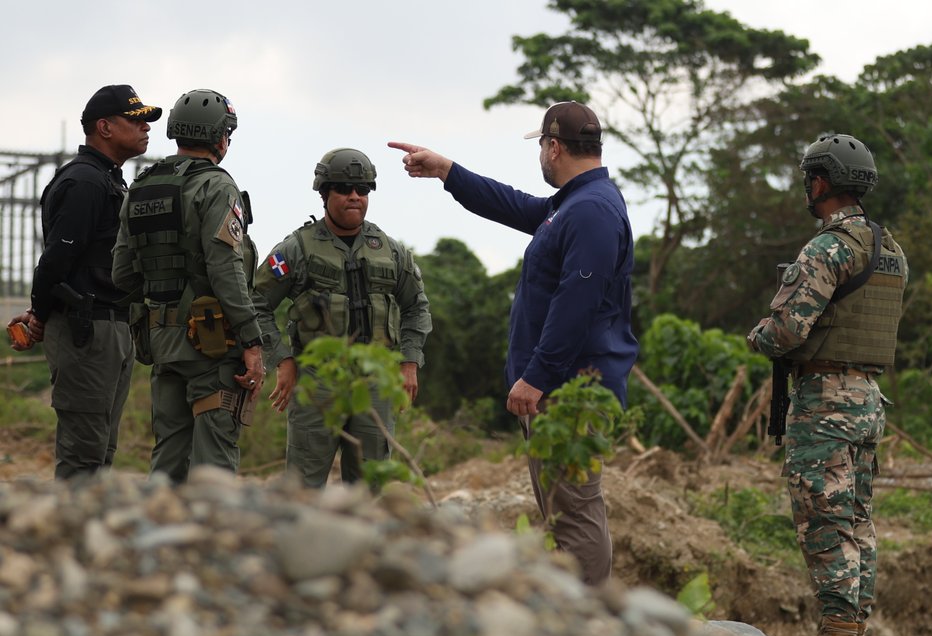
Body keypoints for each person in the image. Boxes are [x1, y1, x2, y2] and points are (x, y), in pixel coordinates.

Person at [390, 101, 638, 586]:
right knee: (564, 510)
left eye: (542, 148)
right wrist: (447, 171)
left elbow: (577, 304)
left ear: (554, 146)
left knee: (576, 511)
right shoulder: (575, 205)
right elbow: (515, 206)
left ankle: (589, 624)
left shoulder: (590, 211)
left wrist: (537, 377)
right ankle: (579, 614)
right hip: (561, 388)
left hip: (570, 392)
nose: (540, 158)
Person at [747, 133, 909, 636]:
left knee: (825, 527)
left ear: (821, 182)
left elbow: (786, 330)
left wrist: (759, 336)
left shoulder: (828, 249)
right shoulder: (890, 249)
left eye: (809, 176)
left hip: (824, 405)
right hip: (867, 400)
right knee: (857, 525)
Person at [249, 148, 432, 488]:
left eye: (362, 190)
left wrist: (409, 362)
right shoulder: (296, 249)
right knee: (303, 485)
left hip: (375, 380)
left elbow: (417, 307)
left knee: (371, 485)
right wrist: (283, 360)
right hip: (317, 379)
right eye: (344, 188)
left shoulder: (391, 251)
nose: (354, 197)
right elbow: (257, 303)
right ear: (324, 192)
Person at [7, 85, 160, 479]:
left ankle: (86, 532)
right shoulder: (86, 183)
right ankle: (68, 535)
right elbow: (56, 259)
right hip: (86, 329)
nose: (146, 128)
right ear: (104, 127)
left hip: (108, 326)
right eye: (136, 120)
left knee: (101, 450)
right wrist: (40, 313)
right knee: (84, 456)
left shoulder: (107, 180)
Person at [112, 89, 265, 483]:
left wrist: (157, 311)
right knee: (214, 456)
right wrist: (251, 340)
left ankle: (157, 536)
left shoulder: (142, 185)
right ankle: (211, 538)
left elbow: (122, 275)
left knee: (168, 451)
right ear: (220, 138)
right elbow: (226, 269)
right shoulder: (217, 187)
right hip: (212, 345)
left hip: (161, 342)